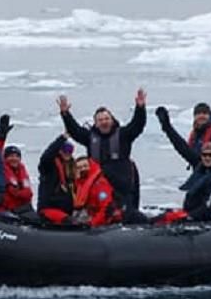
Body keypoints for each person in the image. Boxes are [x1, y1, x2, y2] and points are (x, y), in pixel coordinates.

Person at [57, 89, 147, 219]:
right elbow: (75, 130)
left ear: (112, 120)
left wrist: (140, 108)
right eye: (100, 120)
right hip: (99, 186)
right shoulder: (90, 137)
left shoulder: (123, 134)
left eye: (106, 118)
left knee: (128, 214)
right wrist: (65, 114)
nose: (104, 122)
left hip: (122, 185)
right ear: (96, 123)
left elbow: (137, 125)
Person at [156, 104, 211, 220]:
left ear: (209, 115)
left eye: (204, 113)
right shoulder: (197, 135)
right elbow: (187, 152)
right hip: (204, 178)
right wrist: (167, 127)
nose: (201, 116)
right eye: (198, 113)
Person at [37, 134, 77, 225]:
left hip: (68, 211)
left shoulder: (73, 169)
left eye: (70, 150)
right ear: (59, 151)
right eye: (65, 149)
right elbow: (46, 157)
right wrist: (62, 138)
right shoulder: (49, 167)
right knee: (71, 222)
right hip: (49, 210)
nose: (67, 152)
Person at [71, 156, 123, 227]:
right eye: (79, 168)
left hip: (107, 222)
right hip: (90, 217)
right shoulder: (79, 185)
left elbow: (106, 207)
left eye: (85, 166)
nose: (83, 169)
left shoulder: (100, 184)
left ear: (91, 166)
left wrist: (92, 223)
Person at [0, 145, 34, 215]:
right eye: (11, 156)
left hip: (23, 208)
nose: (14, 158)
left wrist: (21, 193)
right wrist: (22, 193)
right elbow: (13, 192)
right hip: (7, 209)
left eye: (17, 156)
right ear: (5, 158)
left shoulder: (21, 170)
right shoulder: (2, 171)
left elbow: (29, 193)